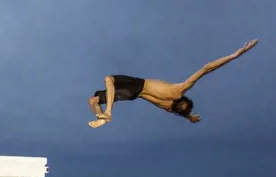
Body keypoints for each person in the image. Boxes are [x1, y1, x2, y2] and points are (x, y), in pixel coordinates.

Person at [88, 39, 259, 128]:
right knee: (93, 101)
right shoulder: (168, 107)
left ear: (183, 98)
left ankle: (107, 113)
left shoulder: (179, 90)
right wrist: (189, 117)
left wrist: (235, 55)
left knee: (108, 79)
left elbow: (206, 68)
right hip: (133, 95)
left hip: (138, 85)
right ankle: (101, 116)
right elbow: (178, 112)